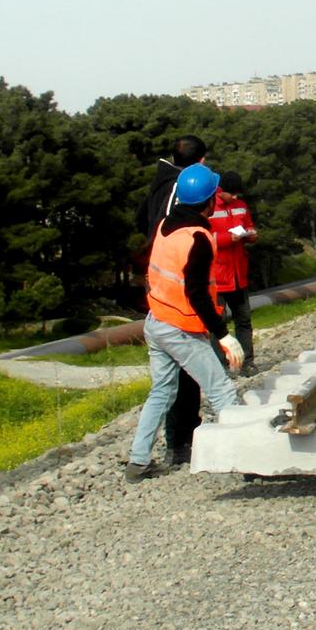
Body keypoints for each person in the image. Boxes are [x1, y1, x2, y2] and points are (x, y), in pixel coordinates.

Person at [126, 163, 243, 482]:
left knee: (161, 392)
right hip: (181, 327)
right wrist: (223, 335)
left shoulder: (166, 224)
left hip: (156, 321)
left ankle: (138, 462)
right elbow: (197, 293)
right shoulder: (199, 238)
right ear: (208, 201)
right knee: (221, 391)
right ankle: (246, 458)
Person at [134, 133, 210, 466]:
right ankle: (183, 441)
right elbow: (165, 229)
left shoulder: (159, 181)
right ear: (200, 163)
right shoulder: (179, 189)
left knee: (167, 378)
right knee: (191, 367)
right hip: (173, 289)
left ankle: (151, 452)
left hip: (159, 283)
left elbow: (141, 218)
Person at [210, 171, 257, 377]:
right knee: (218, 324)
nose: (236, 198)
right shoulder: (209, 206)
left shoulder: (241, 206)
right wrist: (227, 238)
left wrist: (251, 235)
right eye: (233, 194)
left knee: (244, 320)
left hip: (239, 273)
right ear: (222, 192)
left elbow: (248, 226)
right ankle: (219, 366)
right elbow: (204, 237)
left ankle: (248, 362)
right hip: (218, 276)